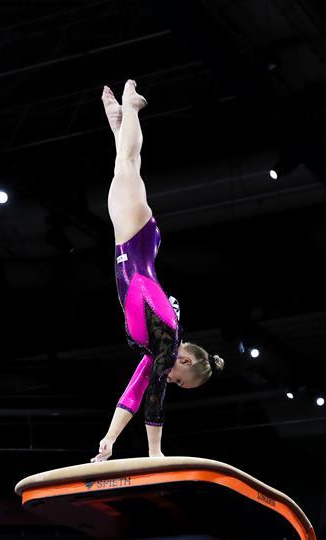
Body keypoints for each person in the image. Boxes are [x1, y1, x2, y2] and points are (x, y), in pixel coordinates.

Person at [91, 79, 225, 463]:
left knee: (125, 166)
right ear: (184, 361)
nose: (170, 380)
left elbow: (134, 390)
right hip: (135, 239)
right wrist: (155, 453)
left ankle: (120, 124)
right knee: (127, 165)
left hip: (132, 243)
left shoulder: (158, 348)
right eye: (178, 380)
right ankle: (130, 109)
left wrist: (109, 439)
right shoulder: (167, 339)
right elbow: (153, 398)